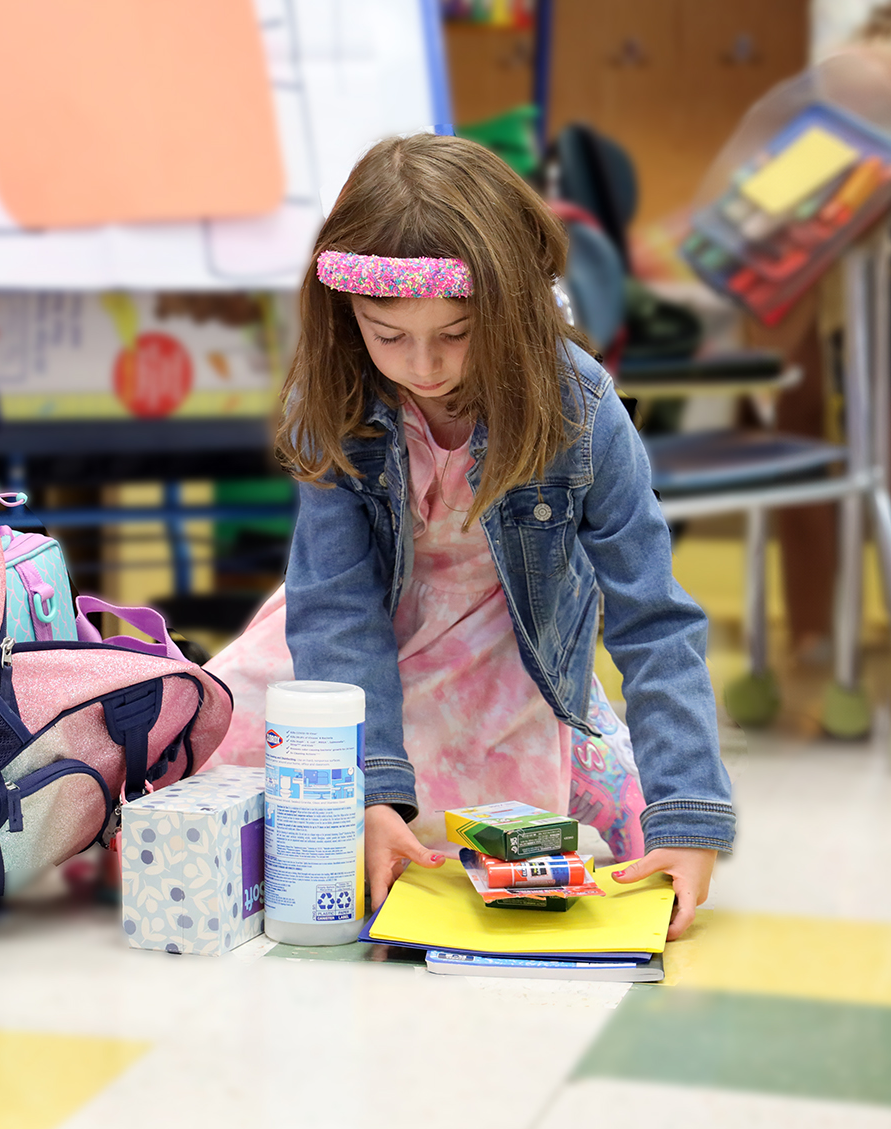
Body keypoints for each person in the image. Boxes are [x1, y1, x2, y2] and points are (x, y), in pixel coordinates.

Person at [272, 134, 734, 939]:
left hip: (514, 648)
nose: (425, 365)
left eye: (457, 334)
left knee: (484, 842)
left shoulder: (578, 408)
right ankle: (560, 755)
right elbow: (337, 610)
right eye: (389, 334)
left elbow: (653, 616)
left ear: (517, 307)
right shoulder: (339, 400)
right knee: (259, 765)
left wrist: (689, 819)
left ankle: (585, 743)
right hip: (371, 642)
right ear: (348, 315)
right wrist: (373, 791)